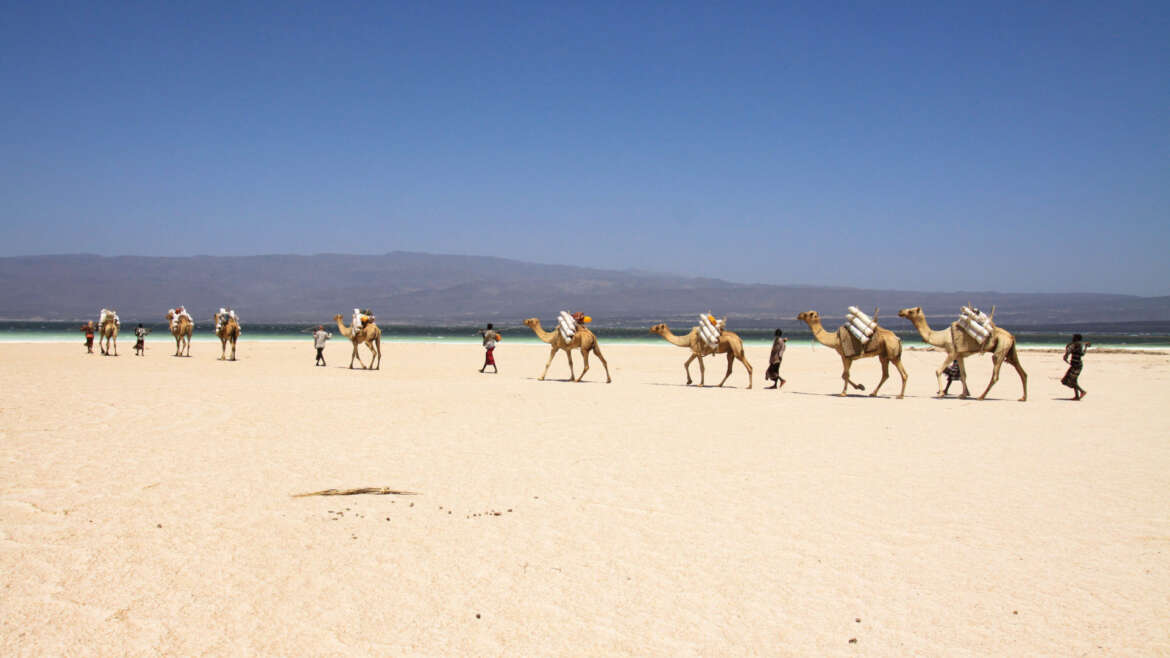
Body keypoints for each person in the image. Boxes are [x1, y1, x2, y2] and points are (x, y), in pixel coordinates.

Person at [1062, 333, 1091, 400]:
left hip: (1075, 365)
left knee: (1068, 380)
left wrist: (1066, 356)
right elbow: (1082, 354)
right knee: (1074, 380)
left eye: (1073, 337)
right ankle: (1077, 396)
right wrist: (1086, 347)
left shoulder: (1073, 345)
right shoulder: (1080, 345)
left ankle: (1082, 391)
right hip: (1078, 364)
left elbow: (1069, 350)